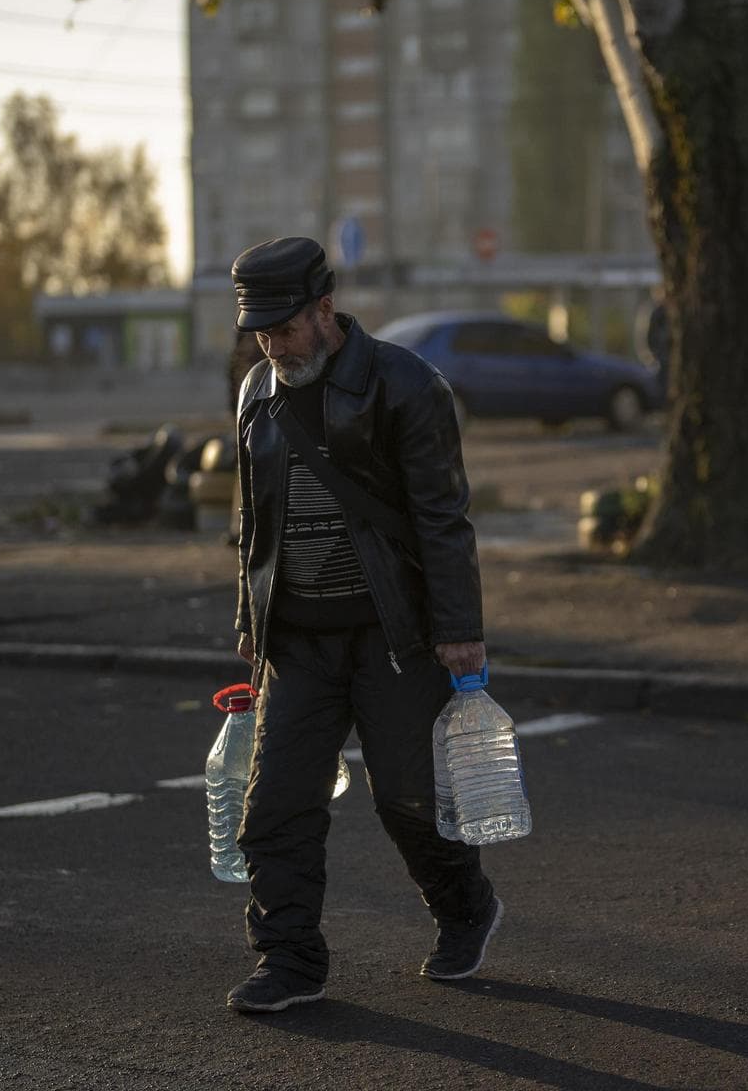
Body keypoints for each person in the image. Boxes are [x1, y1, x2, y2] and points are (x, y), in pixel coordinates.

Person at [226, 236, 498, 1014]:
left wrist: (459, 627)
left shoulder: (406, 385)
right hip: (298, 643)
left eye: (284, 326)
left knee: (410, 800)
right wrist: (248, 616)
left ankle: (464, 907)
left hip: (395, 635)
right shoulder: (256, 393)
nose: (273, 344)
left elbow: (444, 516)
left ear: (324, 309)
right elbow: (252, 521)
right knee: (274, 807)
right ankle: (290, 961)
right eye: (260, 332)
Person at [634, 285, 670, 391]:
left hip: (665, 358)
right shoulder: (650, 312)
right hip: (656, 359)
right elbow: (643, 338)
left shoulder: (668, 311)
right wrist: (649, 358)